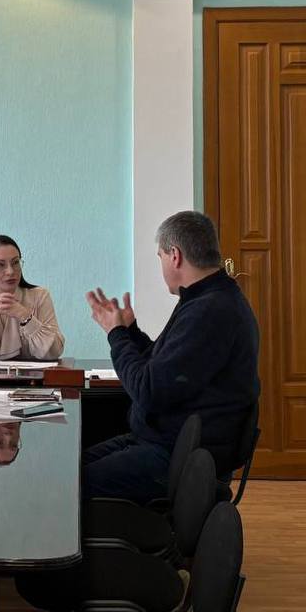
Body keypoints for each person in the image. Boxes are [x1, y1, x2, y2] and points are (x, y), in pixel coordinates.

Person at [83, 210, 259, 502]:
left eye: (160, 256)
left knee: (69, 485)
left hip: (177, 456)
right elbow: (164, 366)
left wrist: (116, 336)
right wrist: (130, 332)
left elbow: (148, 390)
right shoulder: (207, 299)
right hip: (163, 441)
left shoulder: (209, 311)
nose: (162, 264)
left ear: (174, 255)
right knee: (69, 467)